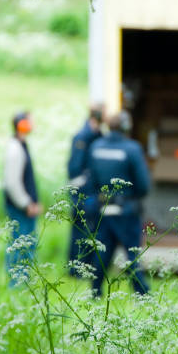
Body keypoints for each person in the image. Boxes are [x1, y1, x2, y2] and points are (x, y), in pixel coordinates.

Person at [86, 110, 151, 297]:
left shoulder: (96, 147)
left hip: (103, 210)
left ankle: (95, 293)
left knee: (102, 255)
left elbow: (91, 180)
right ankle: (142, 295)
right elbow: (144, 185)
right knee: (132, 256)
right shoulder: (132, 149)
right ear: (126, 127)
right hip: (126, 212)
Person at [3, 111, 41, 285]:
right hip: (21, 207)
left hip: (24, 205)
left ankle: (23, 281)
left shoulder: (21, 145)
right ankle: (17, 283)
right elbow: (12, 183)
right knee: (20, 244)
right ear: (22, 125)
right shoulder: (15, 149)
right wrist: (26, 203)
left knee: (26, 243)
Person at [67, 103, 105, 277]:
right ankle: (76, 269)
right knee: (80, 231)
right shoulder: (83, 137)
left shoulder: (97, 135)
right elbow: (74, 168)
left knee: (91, 230)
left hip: (93, 192)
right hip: (83, 192)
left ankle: (87, 267)